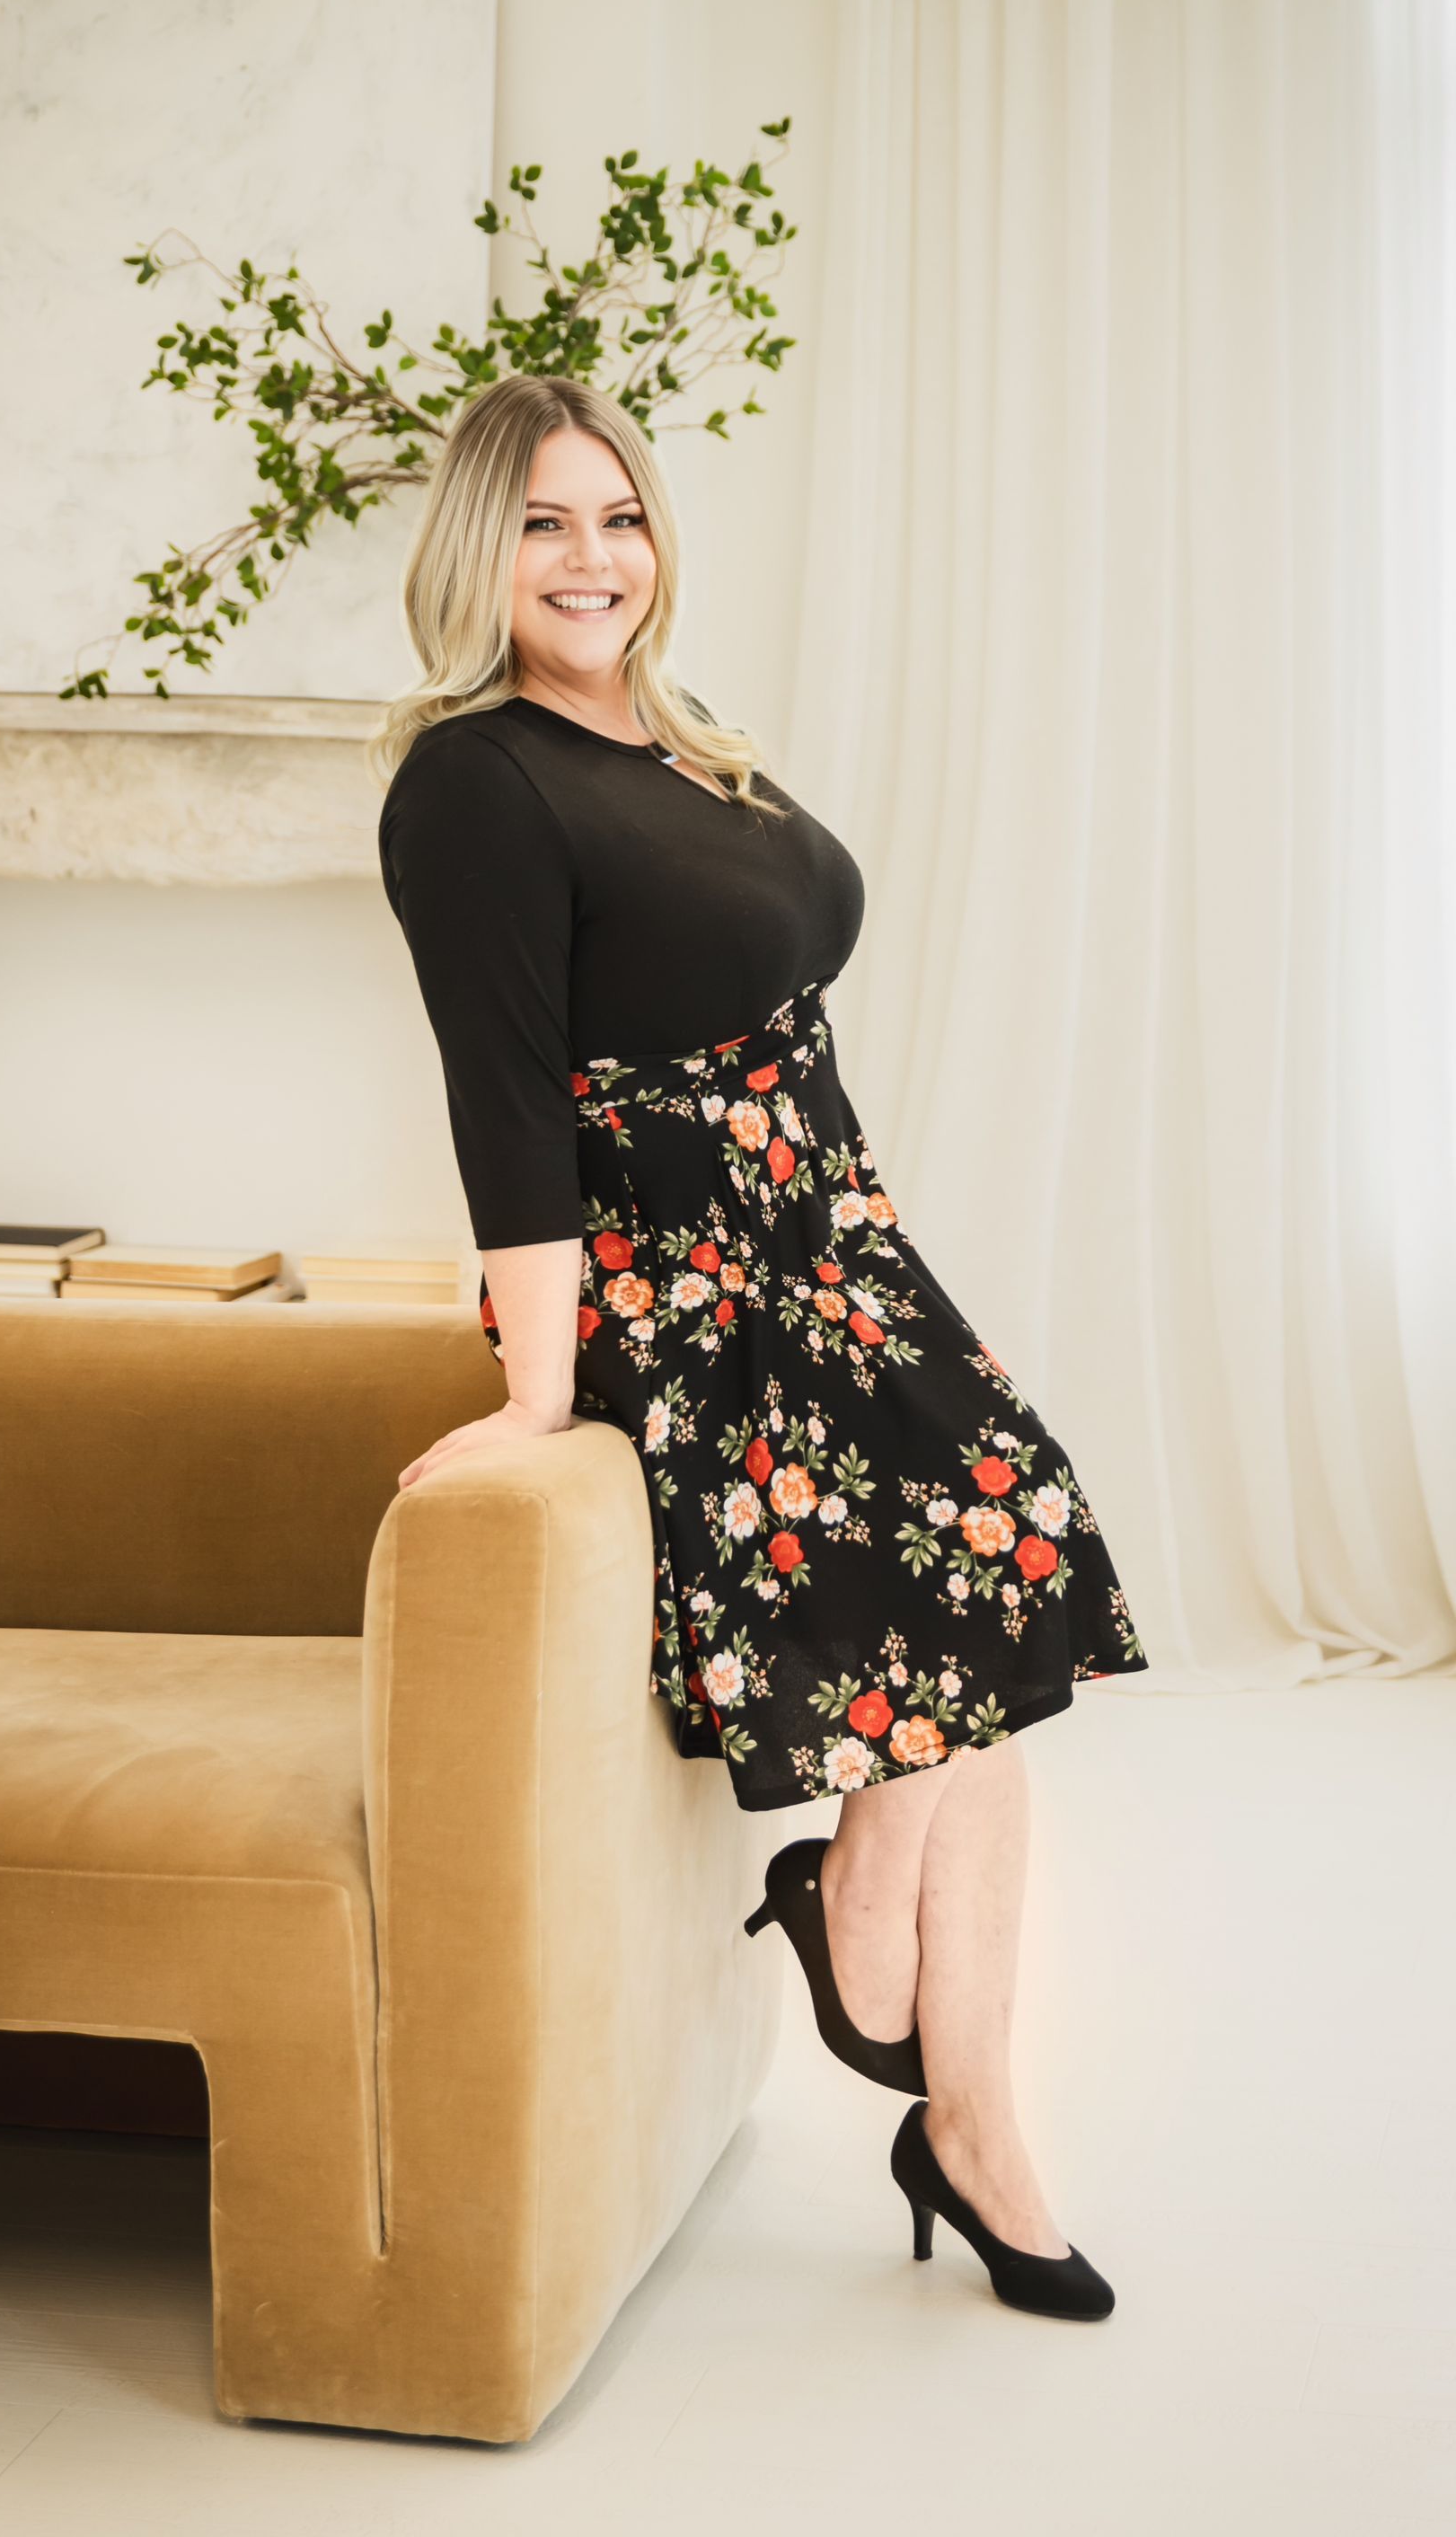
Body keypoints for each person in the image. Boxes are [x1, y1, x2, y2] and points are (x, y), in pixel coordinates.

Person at [374, 373, 1144, 2321]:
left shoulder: (688, 740)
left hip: (827, 1243)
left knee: (1012, 1580)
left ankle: (904, 2003)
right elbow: (504, 1094)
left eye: (619, 516)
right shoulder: (473, 781)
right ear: (478, 551)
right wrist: (538, 1386)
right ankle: (961, 2106)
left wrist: (859, 1251)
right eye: (544, 524)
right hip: (682, 1280)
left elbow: (787, 1007)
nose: (593, 559)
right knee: (982, 1595)